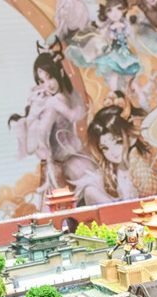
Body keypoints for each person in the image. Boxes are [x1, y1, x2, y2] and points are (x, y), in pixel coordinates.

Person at [8, 42, 111, 208]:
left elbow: (35, 145)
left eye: (50, 77)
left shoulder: (56, 101)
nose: (47, 85)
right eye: (42, 81)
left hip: (71, 164)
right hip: (64, 166)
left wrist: (33, 118)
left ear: (60, 72)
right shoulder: (58, 99)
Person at [86, 97, 157, 200]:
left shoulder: (141, 168)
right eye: (105, 148)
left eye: (118, 142)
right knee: (90, 191)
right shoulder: (116, 167)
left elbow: (153, 199)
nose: (112, 151)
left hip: (148, 206)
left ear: (131, 138)